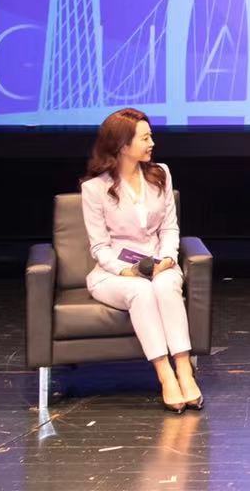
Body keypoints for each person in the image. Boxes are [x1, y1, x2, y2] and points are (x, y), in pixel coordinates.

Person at [80, 107, 201, 412]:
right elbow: (100, 247)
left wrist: (168, 258)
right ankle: (165, 375)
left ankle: (184, 368)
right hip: (115, 274)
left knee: (165, 286)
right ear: (123, 145)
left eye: (151, 136)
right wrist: (127, 270)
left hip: (159, 263)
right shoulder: (94, 189)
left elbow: (170, 227)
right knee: (142, 290)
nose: (152, 143)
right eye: (145, 138)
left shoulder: (161, 174)